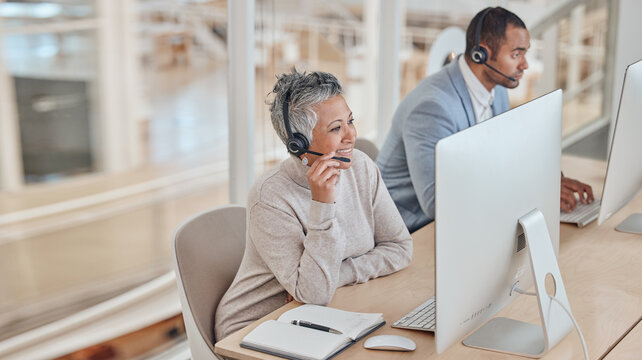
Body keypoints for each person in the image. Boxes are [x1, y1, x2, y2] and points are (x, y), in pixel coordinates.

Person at [214, 70, 413, 341]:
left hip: (326, 311)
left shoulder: (361, 167)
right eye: (336, 128)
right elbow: (313, 294)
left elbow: (399, 248)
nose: (351, 136)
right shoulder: (271, 196)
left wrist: (340, 274)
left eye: (350, 121)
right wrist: (322, 204)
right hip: (258, 327)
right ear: (299, 143)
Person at [376, 7, 594, 233]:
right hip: (410, 230)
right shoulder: (432, 108)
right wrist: (532, 191)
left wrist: (547, 179)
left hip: (467, 221)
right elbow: (437, 205)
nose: (525, 65)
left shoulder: (495, 87)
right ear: (483, 54)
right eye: (516, 54)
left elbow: (500, 157)